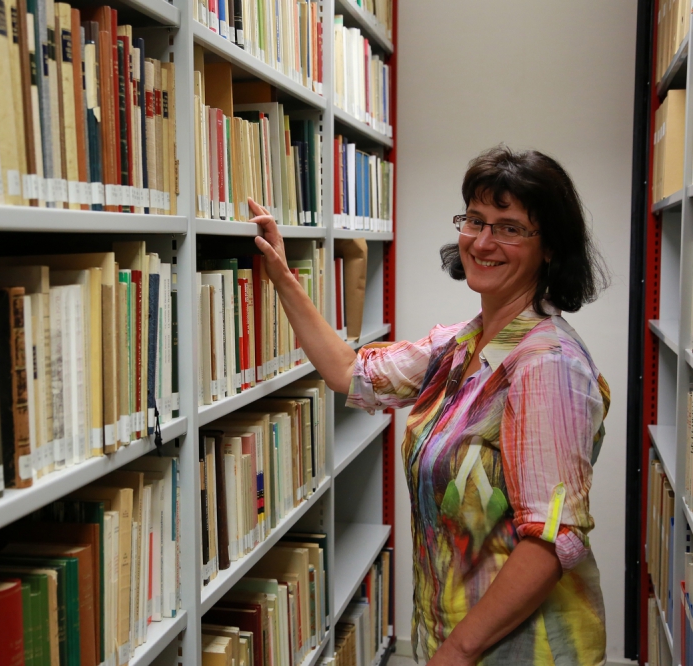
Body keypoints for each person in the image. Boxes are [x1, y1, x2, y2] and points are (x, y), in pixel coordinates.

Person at [250, 145, 611, 665]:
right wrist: (283, 276)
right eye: (476, 220)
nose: (484, 242)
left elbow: (553, 540)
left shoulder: (547, 365)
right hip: (455, 632)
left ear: (549, 247)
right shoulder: (462, 346)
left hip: (520, 650)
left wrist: (461, 650)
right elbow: (352, 373)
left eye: (510, 228)